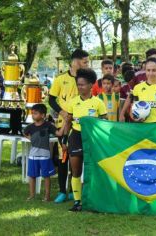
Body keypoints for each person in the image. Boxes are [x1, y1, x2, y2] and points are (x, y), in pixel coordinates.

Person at [63, 68, 107, 212]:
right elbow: (68, 122)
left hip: (92, 139)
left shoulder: (98, 103)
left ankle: (93, 200)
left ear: (90, 85)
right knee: (75, 170)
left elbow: (104, 123)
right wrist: (64, 140)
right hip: (75, 136)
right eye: (78, 84)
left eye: (82, 84)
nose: (80, 87)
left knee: (93, 170)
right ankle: (77, 202)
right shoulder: (73, 102)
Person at [48, 48, 89, 203]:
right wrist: (62, 112)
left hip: (79, 124)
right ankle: (61, 191)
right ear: (76, 61)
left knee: (77, 156)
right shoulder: (60, 79)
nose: (87, 64)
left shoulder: (85, 79)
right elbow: (51, 100)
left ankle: (73, 190)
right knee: (63, 156)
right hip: (63, 123)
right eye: (85, 61)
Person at [23, 104, 64, 201]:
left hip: (45, 155)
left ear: (43, 115)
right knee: (32, 175)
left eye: (35, 113)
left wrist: (66, 123)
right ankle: (32, 195)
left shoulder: (48, 125)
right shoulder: (30, 127)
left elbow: (59, 133)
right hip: (33, 156)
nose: (33, 115)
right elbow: (24, 133)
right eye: (32, 113)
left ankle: (47, 196)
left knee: (46, 176)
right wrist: (31, 139)